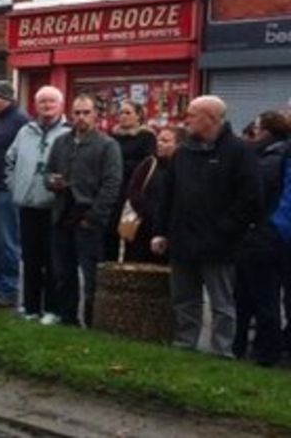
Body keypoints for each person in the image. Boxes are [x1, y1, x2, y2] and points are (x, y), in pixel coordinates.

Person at [152, 96, 261, 358]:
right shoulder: (183, 153)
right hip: (182, 239)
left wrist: (224, 230)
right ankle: (185, 344)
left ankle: (222, 351)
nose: (186, 120)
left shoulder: (239, 152)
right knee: (184, 299)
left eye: (192, 114)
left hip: (219, 244)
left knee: (221, 302)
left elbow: (250, 199)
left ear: (211, 118)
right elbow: (168, 194)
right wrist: (161, 231)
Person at [45, 94, 122, 327]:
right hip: (62, 214)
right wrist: (52, 181)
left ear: (95, 115)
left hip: (88, 216)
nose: (81, 117)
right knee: (63, 272)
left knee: (91, 276)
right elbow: (47, 173)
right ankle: (68, 318)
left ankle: (93, 321)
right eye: (77, 113)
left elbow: (112, 184)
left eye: (86, 112)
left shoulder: (107, 145)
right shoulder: (61, 142)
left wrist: (94, 217)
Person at [5, 86, 70, 322]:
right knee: (30, 259)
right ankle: (31, 306)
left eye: (51, 101)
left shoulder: (68, 133)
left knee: (53, 261)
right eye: (42, 101)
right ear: (35, 105)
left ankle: (52, 309)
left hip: (54, 207)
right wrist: (15, 186)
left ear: (61, 105)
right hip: (27, 204)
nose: (47, 106)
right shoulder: (25, 131)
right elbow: (10, 160)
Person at [233, 111, 289, 366]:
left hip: (267, 234)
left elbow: (257, 194)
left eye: (256, 129)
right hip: (271, 233)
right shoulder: (276, 154)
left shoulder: (271, 157)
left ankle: (267, 351)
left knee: (262, 297)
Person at [0, 80, 28, 309]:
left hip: (5, 191)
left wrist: (13, 184)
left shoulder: (21, 122)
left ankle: (9, 289)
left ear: (5, 98)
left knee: (8, 241)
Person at [122, 126, 186, 263]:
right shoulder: (149, 163)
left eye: (165, 141)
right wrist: (149, 212)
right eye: (159, 140)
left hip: (171, 232)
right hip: (143, 231)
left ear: (179, 145)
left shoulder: (184, 169)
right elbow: (134, 191)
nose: (159, 144)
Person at [106, 101, 157, 261]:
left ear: (138, 115)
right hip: (114, 188)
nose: (123, 116)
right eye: (121, 113)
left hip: (134, 188)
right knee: (110, 234)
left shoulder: (147, 136)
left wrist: (120, 164)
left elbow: (147, 162)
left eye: (128, 113)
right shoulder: (112, 137)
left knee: (131, 233)